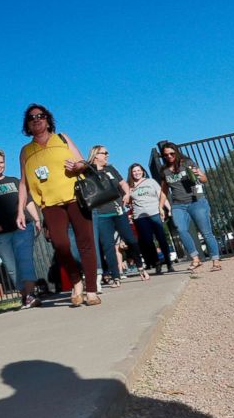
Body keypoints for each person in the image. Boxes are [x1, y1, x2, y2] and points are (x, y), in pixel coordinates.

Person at [16, 104, 100, 306]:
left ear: (48, 119)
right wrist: (20, 210)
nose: (37, 119)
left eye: (41, 115)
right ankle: (76, 281)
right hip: (50, 204)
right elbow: (23, 182)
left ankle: (91, 290)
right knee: (60, 244)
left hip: (76, 197)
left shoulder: (62, 138)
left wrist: (77, 166)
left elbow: (82, 162)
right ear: (27, 124)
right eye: (32, 117)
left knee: (86, 243)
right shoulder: (26, 151)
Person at [0, 148, 41, 309]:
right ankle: (24, 296)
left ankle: (31, 295)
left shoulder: (15, 181)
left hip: (22, 228)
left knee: (26, 261)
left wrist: (37, 219)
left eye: (1, 162)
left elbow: (28, 201)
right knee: (12, 267)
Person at [85, 145, 149, 286]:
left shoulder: (111, 169)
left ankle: (140, 267)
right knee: (108, 246)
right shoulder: (87, 171)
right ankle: (116, 276)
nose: (107, 155)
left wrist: (127, 194)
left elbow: (122, 183)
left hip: (118, 210)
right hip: (101, 213)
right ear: (96, 155)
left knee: (131, 240)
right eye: (105, 153)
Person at [159, 141, 223, 271]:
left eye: (172, 153)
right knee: (181, 230)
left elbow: (204, 179)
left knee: (206, 232)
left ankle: (216, 261)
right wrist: (160, 206)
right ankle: (195, 258)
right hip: (178, 205)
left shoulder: (187, 163)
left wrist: (199, 175)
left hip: (196, 201)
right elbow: (164, 190)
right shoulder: (164, 171)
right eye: (166, 155)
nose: (169, 156)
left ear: (176, 152)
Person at [126, 163, 175, 274]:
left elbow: (161, 195)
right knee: (148, 242)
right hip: (140, 217)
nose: (136, 173)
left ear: (143, 171)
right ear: (131, 173)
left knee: (161, 238)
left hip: (155, 213)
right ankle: (157, 263)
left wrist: (169, 208)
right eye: (134, 171)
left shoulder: (151, 182)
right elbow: (127, 202)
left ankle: (169, 263)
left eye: (138, 170)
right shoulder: (130, 186)